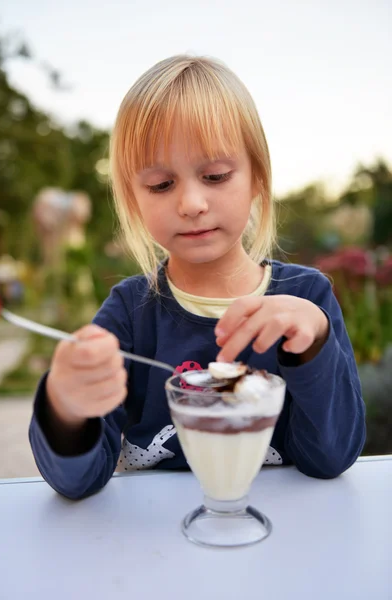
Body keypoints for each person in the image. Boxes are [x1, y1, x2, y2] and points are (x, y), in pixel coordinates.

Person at [29, 55, 366, 500]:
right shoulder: (131, 312)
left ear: (258, 179)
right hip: (154, 549)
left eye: (215, 176)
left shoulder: (307, 298)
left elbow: (332, 459)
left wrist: (315, 343)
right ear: (133, 201)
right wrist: (66, 405)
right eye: (160, 185)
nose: (191, 202)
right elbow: (76, 482)